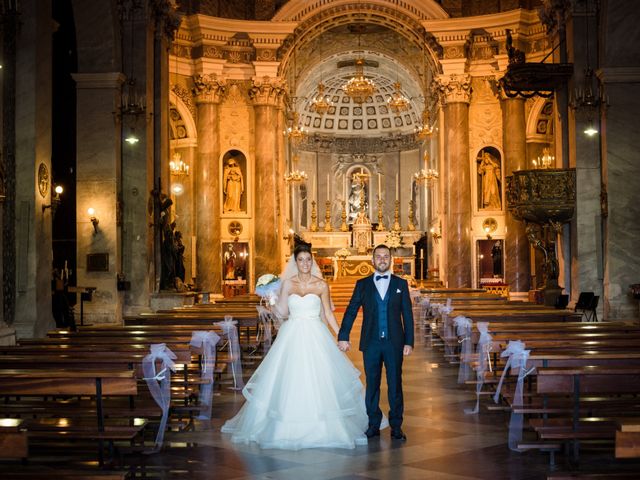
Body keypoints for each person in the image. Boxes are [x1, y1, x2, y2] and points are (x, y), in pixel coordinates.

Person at [221, 244, 372, 449]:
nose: (305, 264)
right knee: (290, 377)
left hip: (316, 335)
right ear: (295, 262)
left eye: (308, 260)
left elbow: (328, 313)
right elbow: (282, 312)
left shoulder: (321, 285)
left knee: (319, 379)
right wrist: (271, 301)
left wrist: (341, 335)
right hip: (291, 336)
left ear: (312, 261)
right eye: (301, 260)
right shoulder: (288, 285)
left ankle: (326, 428)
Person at [338, 244, 414, 441]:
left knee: (395, 384)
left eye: (385, 256)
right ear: (372, 261)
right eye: (378, 256)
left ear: (391, 260)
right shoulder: (362, 284)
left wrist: (409, 341)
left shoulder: (401, 284)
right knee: (372, 384)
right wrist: (343, 335)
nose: (382, 259)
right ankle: (373, 423)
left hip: (394, 343)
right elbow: (351, 310)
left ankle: (396, 425)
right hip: (370, 342)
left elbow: (407, 314)